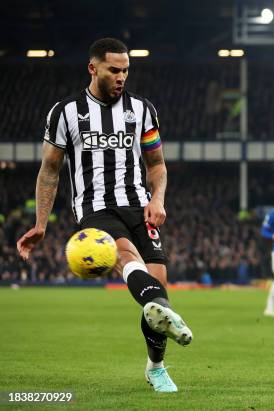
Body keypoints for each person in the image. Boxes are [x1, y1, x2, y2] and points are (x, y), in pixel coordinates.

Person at [16, 38, 192, 393]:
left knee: (157, 290)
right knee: (125, 255)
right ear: (93, 68)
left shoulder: (143, 109)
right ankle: (159, 348)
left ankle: (155, 367)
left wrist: (157, 200)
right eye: (114, 69)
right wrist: (40, 223)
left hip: (138, 204)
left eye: (126, 70)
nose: (121, 76)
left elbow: (156, 164)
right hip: (94, 208)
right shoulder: (64, 112)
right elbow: (50, 171)